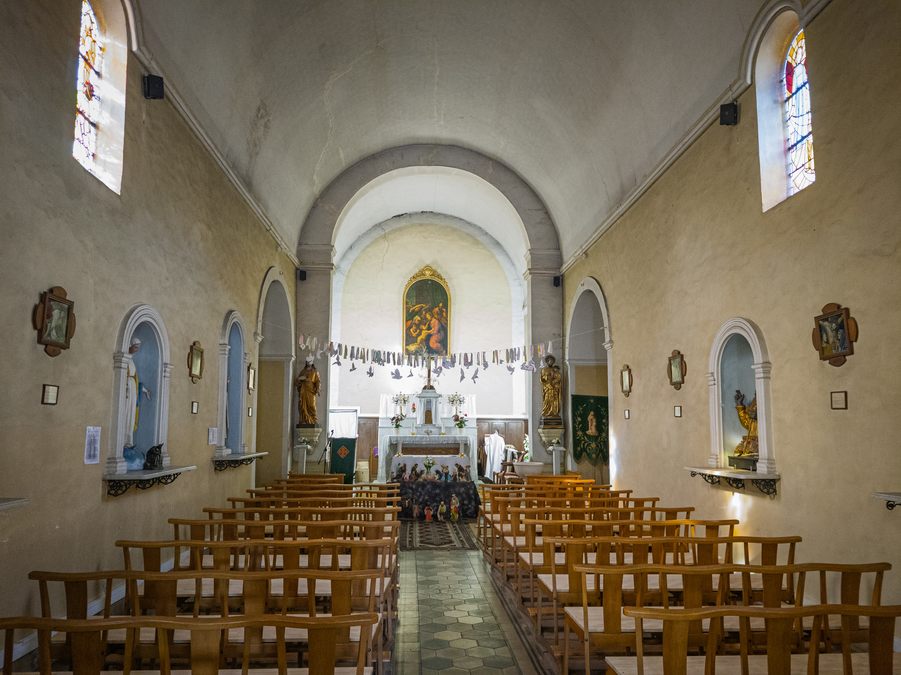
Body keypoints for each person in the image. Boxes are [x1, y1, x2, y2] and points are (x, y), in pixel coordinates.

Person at [124, 338, 151, 448]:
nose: (136, 350)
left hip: (132, 390)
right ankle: (122, 440)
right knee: (125, 414)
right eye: (135, 347)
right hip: (126, 391)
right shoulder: (125, 359)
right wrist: (125, 387)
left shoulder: (132, 361)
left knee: (130, 414)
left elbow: (136, 380)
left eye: (138, 348)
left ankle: (128, 441)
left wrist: (144, 390)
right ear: (129, 346)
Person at [295, 356, 321, 426]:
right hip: (303, 390)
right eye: (307, 361)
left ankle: (314, 420)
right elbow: (297, 381)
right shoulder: (303, 371)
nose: (308, 363)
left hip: (311, 391)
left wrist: (318, 389)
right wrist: (299, 380)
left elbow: (318, 381)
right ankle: (304, 420)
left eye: (309, 361)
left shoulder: (315, 371)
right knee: (302, 405)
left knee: (312, 405)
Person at [733, 390, 759, 456]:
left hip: (759, 443)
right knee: (738, 451)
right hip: (751, 441)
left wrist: (760, 416)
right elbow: (747, 423)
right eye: (755, 394)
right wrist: (740, 405)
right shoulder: (754, 403)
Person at [540, 354, 562, 421]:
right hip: (547, 387)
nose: (551, 362)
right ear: (547, 361)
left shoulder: (555, 369)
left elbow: (558, 378)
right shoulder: (544, 369)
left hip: (554, 388)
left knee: (554, 400)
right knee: (547, 400)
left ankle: (554, 413)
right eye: (549, 361)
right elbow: (542, 378)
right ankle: (546, 412)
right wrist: (547, 377)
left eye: (552, 361)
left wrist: (555, 380)